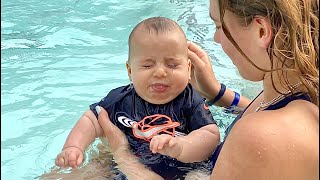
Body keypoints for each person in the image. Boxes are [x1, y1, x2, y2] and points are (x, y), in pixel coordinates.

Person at [97, 0, 319, 179]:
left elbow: (266, 132)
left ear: (261, 31)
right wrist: (216, 93)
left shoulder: (260, 135)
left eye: (220, 26)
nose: (216, 38)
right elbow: (268, 109)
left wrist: (123, 156)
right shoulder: (297, 90)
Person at [55, 17, 221, 180]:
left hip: (185, 171)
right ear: (130, 71)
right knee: (85, 173)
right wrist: (74, 147)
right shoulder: (120, 99)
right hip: (123, 169)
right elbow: (92, 120)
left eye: (172, 65)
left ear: (188, 67)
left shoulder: (190, 100)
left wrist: (183, 146)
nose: (160, 72)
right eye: (148, 65)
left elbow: (210, 135)